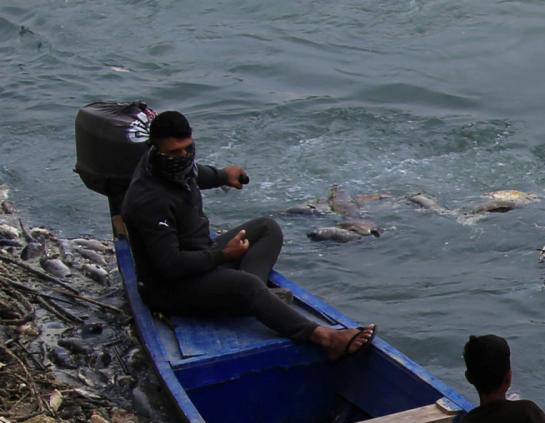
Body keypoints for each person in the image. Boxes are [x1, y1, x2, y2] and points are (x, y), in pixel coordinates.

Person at [121, 110, 371, 358]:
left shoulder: (173, 165)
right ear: (155, 149)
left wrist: (223, 176)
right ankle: (327, 339)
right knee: (247, 284)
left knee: (267, 228)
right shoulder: (149, 200)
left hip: (200, 257)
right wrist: (222, 255)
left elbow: (194, 172)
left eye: (187, 148)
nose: (183, 156)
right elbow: (170, 266)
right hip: (170, 287)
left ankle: (251, 299)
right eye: (175, 152)